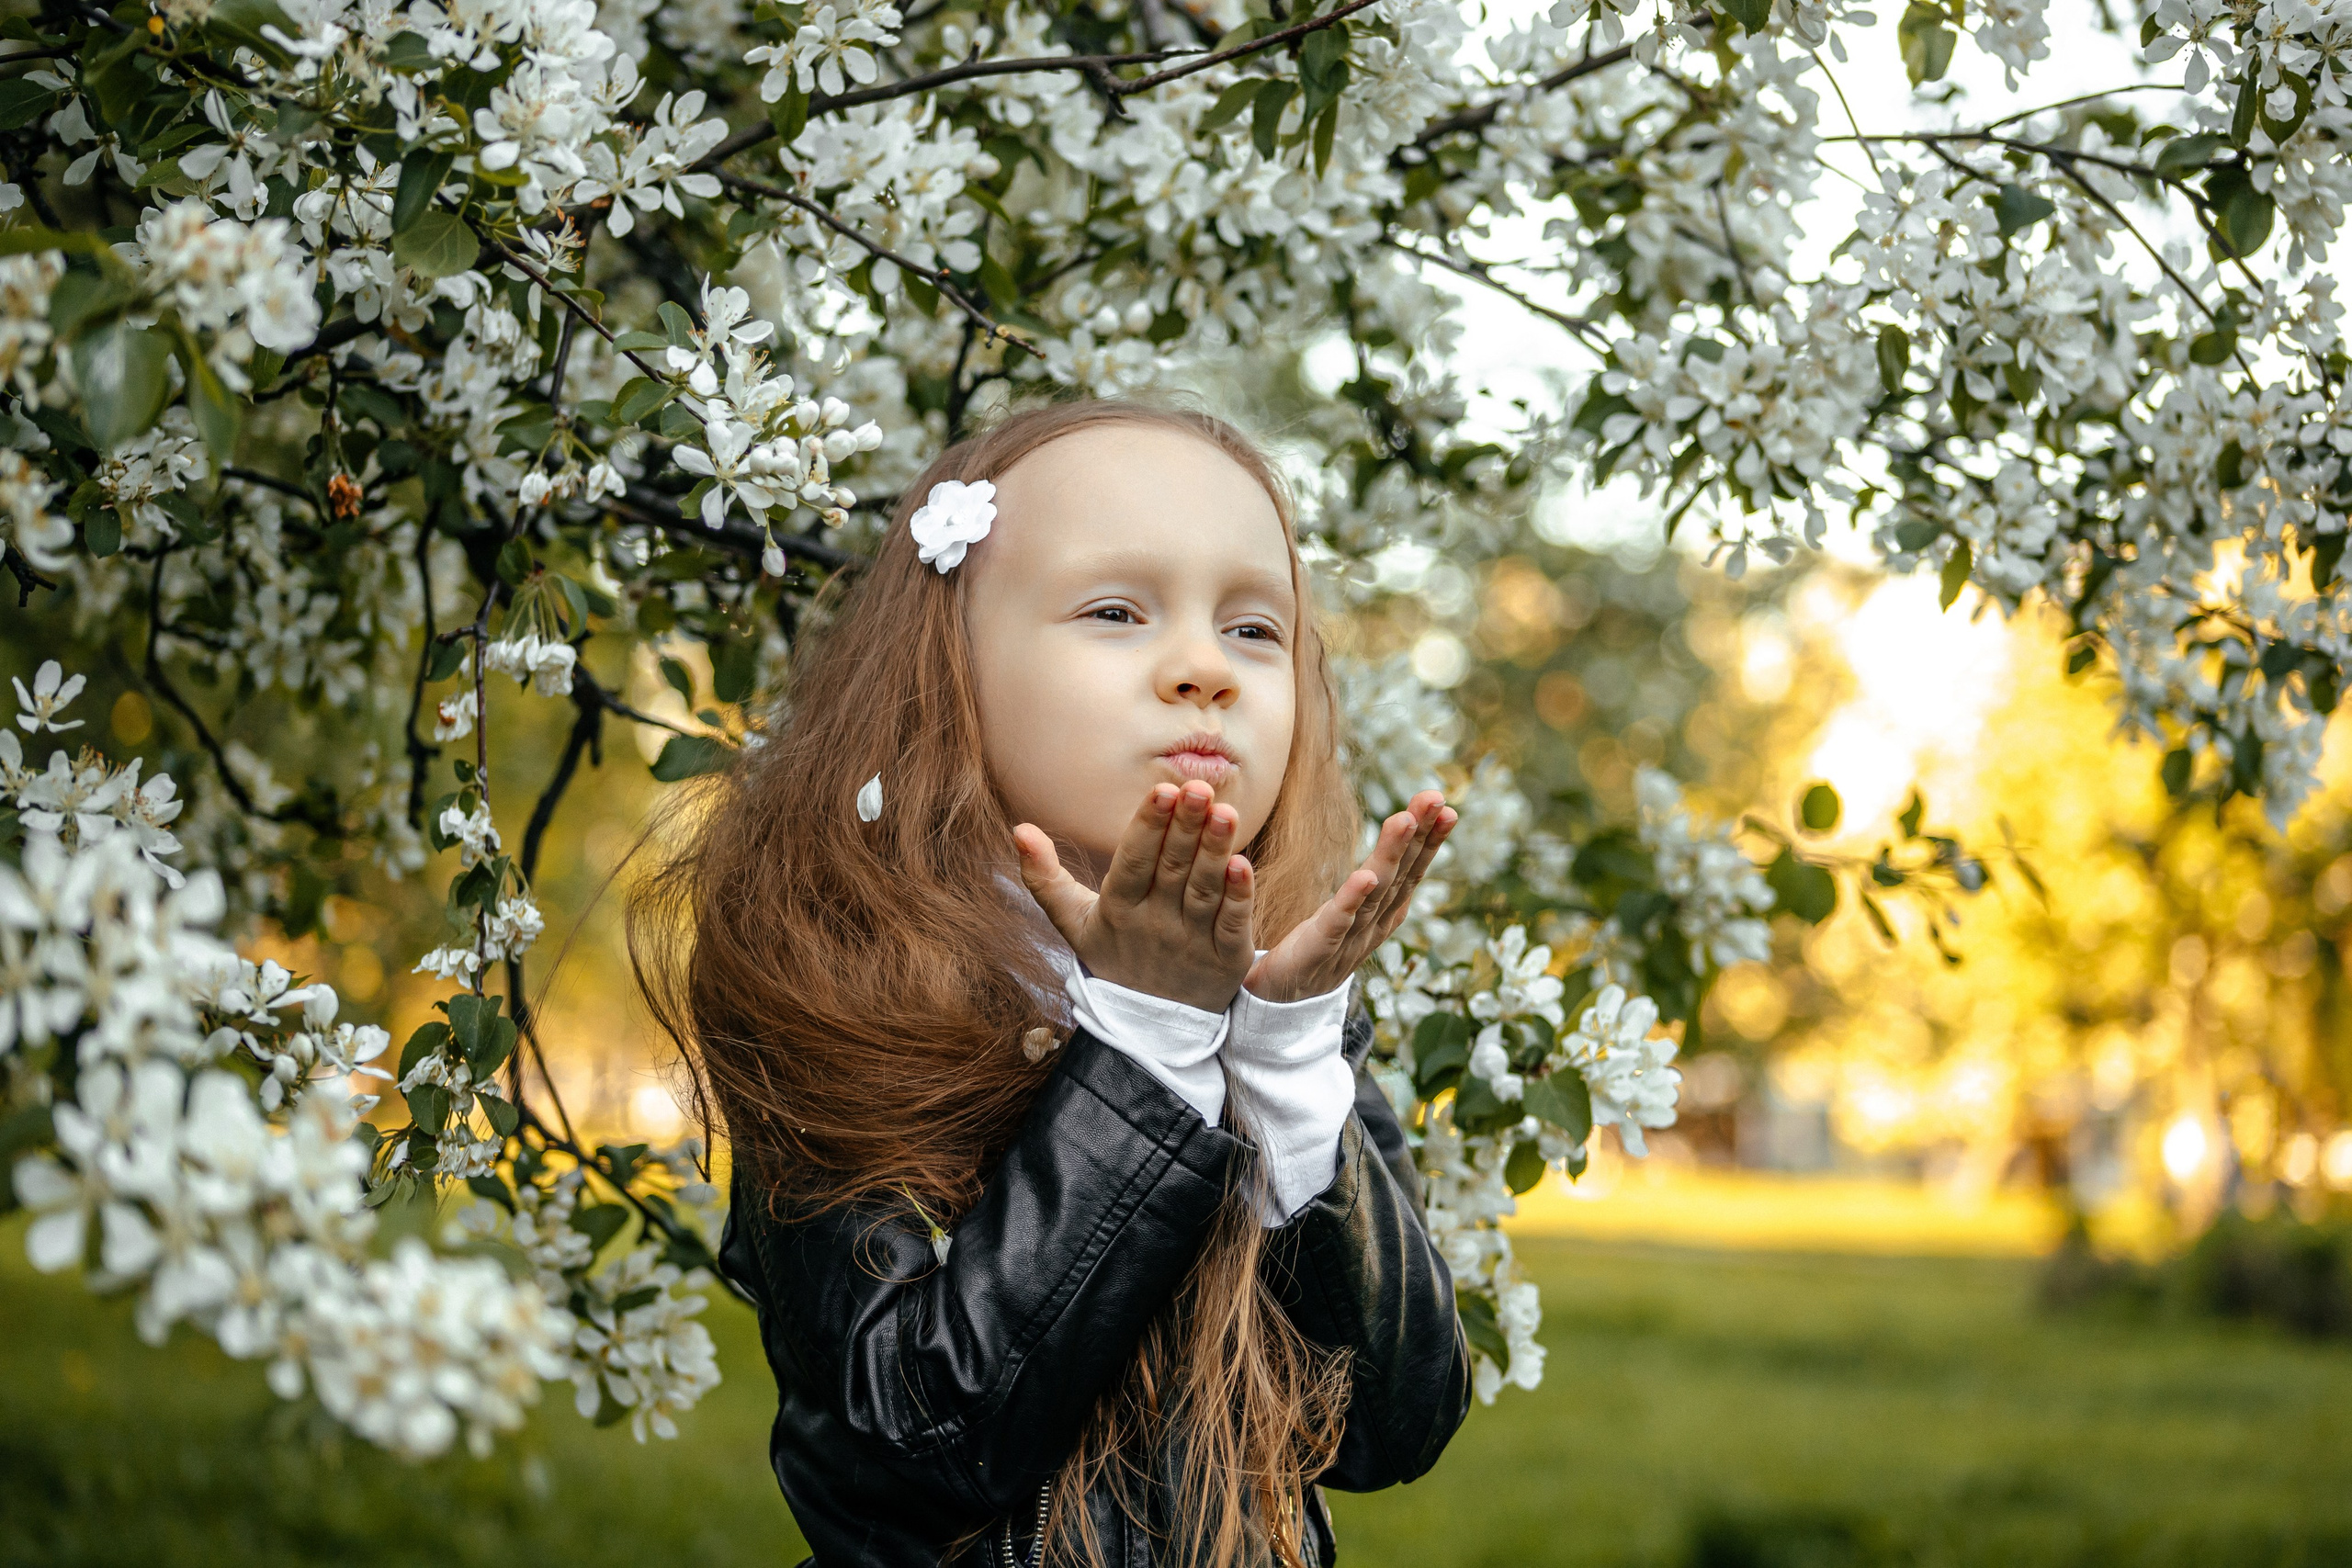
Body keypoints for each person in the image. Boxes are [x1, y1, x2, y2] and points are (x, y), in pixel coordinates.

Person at [629, 394, 1473, 1568]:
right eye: (1115, 611)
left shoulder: (1275, 992)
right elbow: (909, 1446)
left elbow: (1392, 1425)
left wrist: (1281, 1056)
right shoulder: (834, 982)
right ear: (949, 665)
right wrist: (1144, 1048)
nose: (1204, 671)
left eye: (1254, 629)